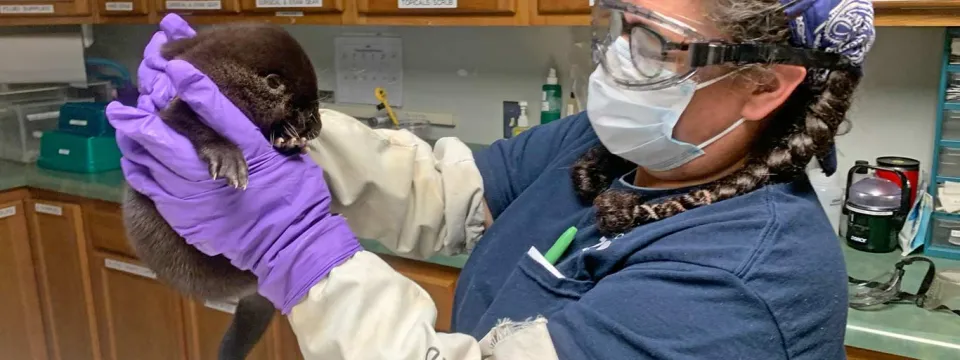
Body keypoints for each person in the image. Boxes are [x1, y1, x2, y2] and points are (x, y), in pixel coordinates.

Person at [105, 0, 876, 358]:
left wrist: (298, 245)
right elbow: (450, 189)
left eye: (652, 42)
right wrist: (249, 117)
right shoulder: (609, 147)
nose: (613, 57)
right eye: (617, 22)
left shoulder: (744, 281)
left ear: (766, 86)